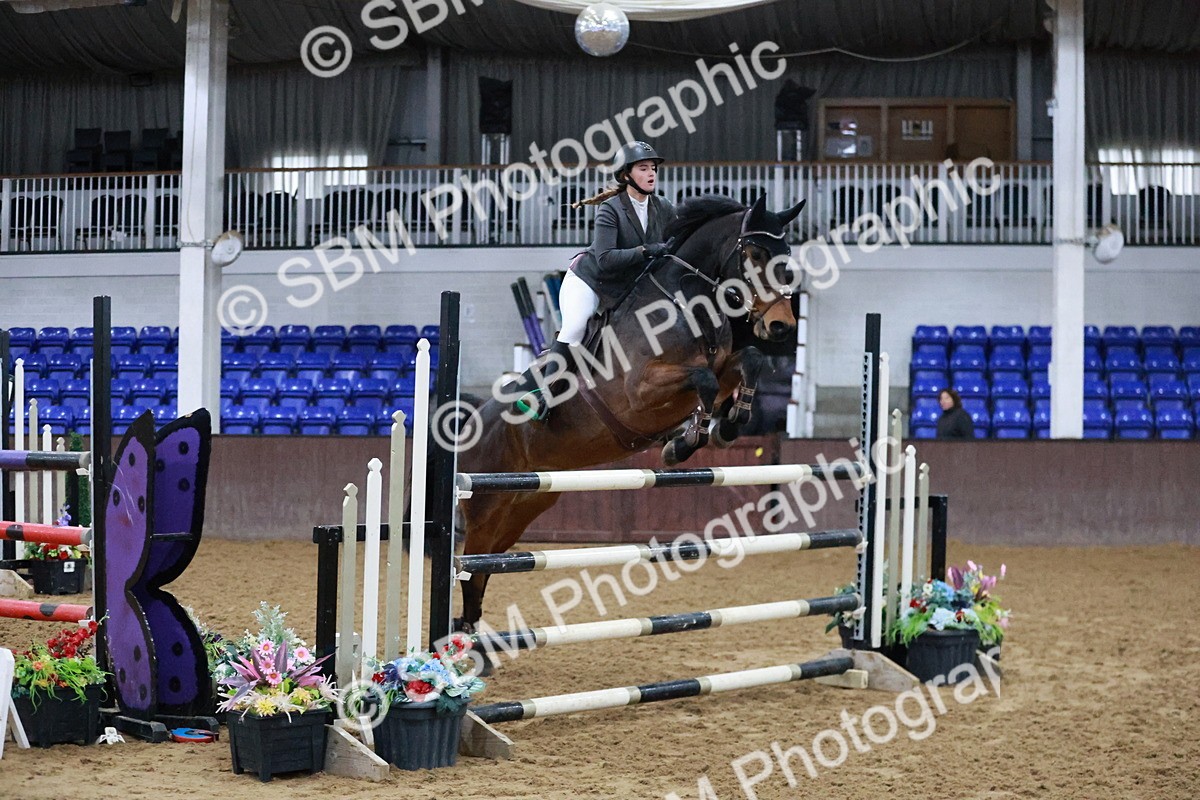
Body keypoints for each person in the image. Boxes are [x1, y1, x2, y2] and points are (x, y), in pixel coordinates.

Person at [511, 141, 676, 420]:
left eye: (653, 168)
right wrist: (645, 251)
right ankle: (543, 395)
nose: (651, 174)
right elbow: (606, 259)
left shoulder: (664, 207)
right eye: (643, 168)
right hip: (590, 281)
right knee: (575, 327)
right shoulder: (611, 209)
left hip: (624, 289)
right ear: (626, 175)